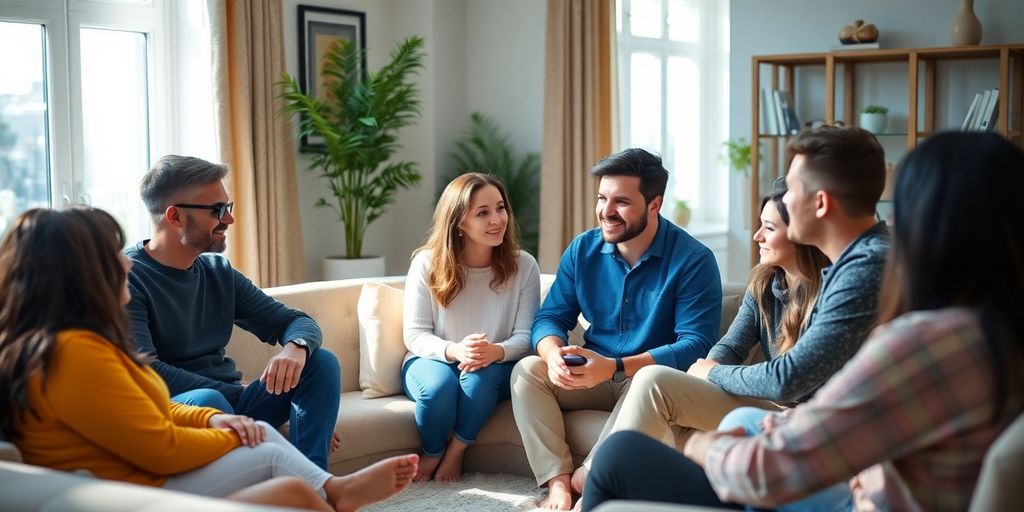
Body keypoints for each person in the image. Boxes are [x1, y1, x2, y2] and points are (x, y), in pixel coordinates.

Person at [583, 131, 1024, 511]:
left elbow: (791, 412)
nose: (782, 202)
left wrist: (706, 446)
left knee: (621, 456)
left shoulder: (911, 322)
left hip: (838, 486)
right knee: (637, 450)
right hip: (835, 457)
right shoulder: (988, 329)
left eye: (789, 189)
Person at [0, 207, 419, 511]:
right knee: (276, 469)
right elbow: (158, 421)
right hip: (132, 481)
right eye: (219, 209)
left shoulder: (76, 342)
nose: (124, 262)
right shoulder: (75, 352)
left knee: (314, 370)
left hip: (173, 440)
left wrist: (293, 350)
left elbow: (141, 407)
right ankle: (330, 491)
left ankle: (328, 486)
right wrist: (235, 427)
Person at [573, 124, 893, 500]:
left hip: (824, 433)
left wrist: (714, 372)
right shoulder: (840, 266)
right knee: (666, 412)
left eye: (791, 191)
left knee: (641, 430)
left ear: (819, 203)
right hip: (805, 419)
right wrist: (710, 371)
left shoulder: (866, 269)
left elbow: (790, 381)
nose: (782, 201)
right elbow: (735, 348)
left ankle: (597, 486)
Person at [511, 148, 724, 510]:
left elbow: (695, 345)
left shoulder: (693, 260)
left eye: (621, 201)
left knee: (647, 379)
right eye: (602, 198)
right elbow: (551, 317)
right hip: (594, 373)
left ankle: (591, 478)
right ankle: (558, 483)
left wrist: (614, 367)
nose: (606, 211)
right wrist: (552, 354)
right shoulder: (583, 250)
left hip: (648, 380)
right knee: (527, 371)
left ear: (654, 204)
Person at [125, 155, 341, 469]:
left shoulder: (217, 271)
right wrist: (235, 393)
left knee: (320, 362)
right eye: (218, 210)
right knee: (208, 401)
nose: (229, 220)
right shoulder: (127, 277)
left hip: (235, 401)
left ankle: (311, 483)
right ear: (175, 217)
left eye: (229, 207)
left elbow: (296, 321)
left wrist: (296, 348)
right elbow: (147, 372)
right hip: (178, 409)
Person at [402, 173, 541, 482]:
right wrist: (454, 350)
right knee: (439, 389)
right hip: (432, 360)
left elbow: (527, 336)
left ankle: (455, 453)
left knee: (480, 378)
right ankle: (433, 452)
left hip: (495, 366)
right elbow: (414, 334)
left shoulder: (524, 266)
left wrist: (495, 351)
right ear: (459, 222)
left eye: (500, 208)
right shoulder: (427, 263)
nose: (497, 219)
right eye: (483, 212)